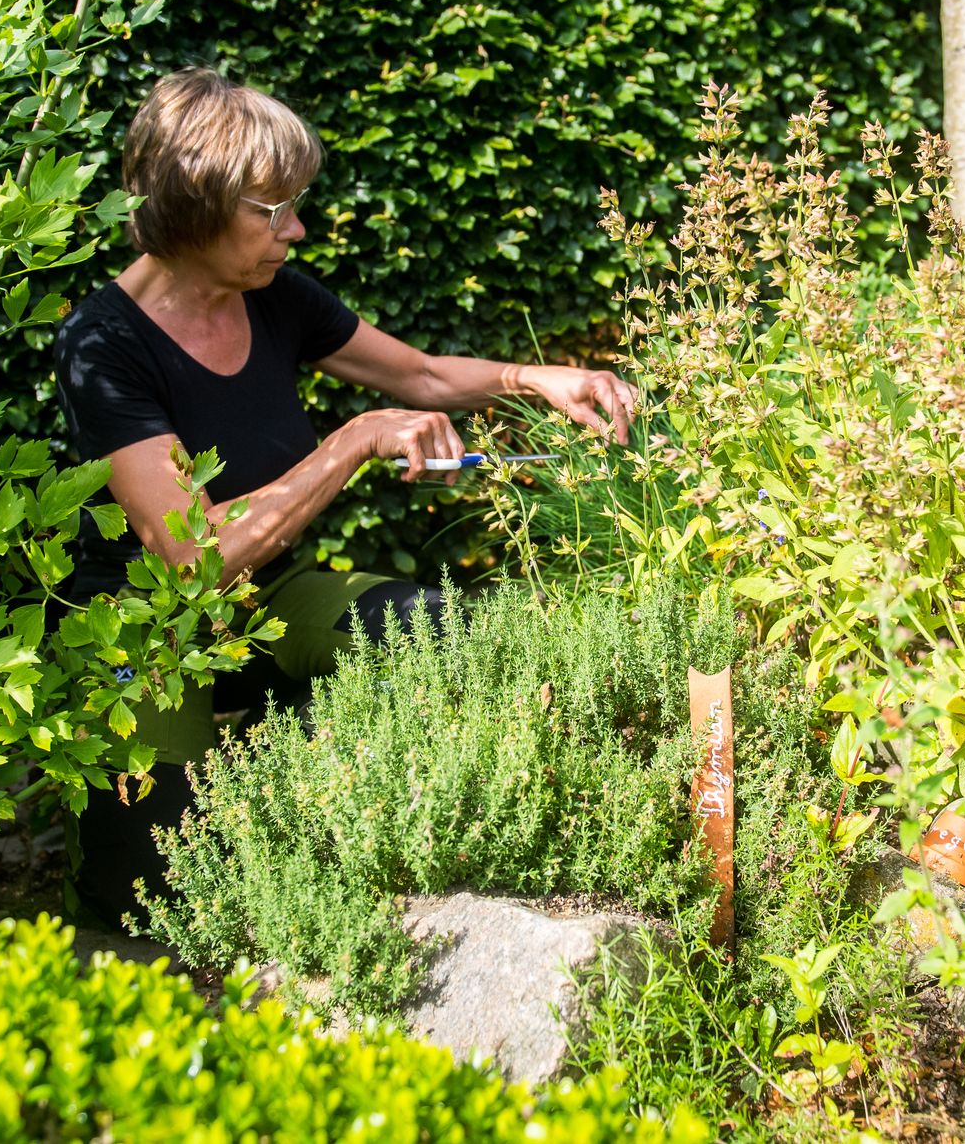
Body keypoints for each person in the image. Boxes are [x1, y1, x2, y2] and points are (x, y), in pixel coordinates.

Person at [53, 67, 637, 922]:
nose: (296, 227)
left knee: (449, 633)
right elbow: (190, 558)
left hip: (273, 601)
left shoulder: (275, 295)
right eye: (272, 208)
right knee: (146, 901)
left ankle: (321, 808)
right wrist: (356, 438)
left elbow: (424, 374)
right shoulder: (101, 346)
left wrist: (536, 377)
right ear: (195, 200)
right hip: (146, 628)